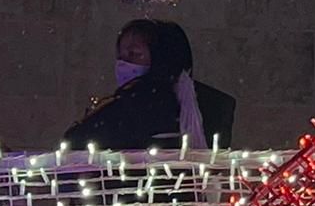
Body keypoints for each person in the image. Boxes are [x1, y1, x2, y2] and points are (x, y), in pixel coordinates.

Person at [64, 19, 236, 151]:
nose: (123, 63)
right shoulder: (214, 104)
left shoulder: (135, 104)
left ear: (160, 57)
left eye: (134, 54)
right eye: (121, 55)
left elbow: (75, 141)